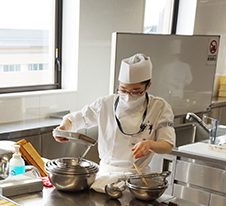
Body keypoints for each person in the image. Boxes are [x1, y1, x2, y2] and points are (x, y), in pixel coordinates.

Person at [54, 53, 175, 192]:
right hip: (104, 178)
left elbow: (167, 146)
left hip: (137, 182)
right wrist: (64, 127)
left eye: (136, 92)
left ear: (148, 86)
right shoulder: (105, 103)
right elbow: (76, 119)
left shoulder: (159, 107)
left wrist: (150, 144)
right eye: (123, 90)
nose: (128, 96)